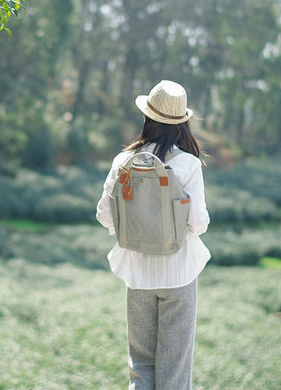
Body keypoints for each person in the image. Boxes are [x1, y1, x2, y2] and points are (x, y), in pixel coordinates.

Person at [96, 80, 211, 390]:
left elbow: (104, 215)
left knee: (141, 365)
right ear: (181, 124)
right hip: (179, 272)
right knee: (174, 368)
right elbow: (198, 224)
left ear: (147, 116)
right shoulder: (188, 164)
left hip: (137, 273)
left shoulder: (124, 162)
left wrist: (136, 230)